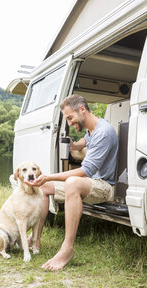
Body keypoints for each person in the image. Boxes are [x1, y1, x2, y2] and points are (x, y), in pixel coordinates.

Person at [26, 94, 118, 271]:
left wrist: (50, 176)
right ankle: (34, 239)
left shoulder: (104, 132)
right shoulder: (92, 130)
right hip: (91, 182)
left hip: (105, 186)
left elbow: (86, 172)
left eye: (70, 118)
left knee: (72, 182)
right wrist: (74, 145)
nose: (69, 123)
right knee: (44, 187)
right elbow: (85, 141)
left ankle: (67, 249)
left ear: (82, 109)